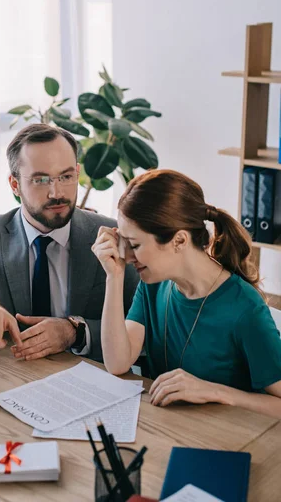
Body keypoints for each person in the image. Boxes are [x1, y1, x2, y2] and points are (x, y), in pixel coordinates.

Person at [0, 123, 138, 361]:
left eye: (66, 176)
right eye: (40, 180)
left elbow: (144, 326)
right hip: (14, 380)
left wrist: (75, 332)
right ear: (15, 185)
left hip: (94, 384)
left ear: (77, 173)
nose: (56, 193)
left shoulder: (109, 234)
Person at [92, 168, 281, 418]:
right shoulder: (153, 284)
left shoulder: (245, 309)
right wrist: (113, 277)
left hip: (223, 441)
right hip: (170, 428)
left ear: (179, 241)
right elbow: (117, 363)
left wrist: (217, 392)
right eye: (123, 241)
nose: (125, 256)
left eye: (135, 244)